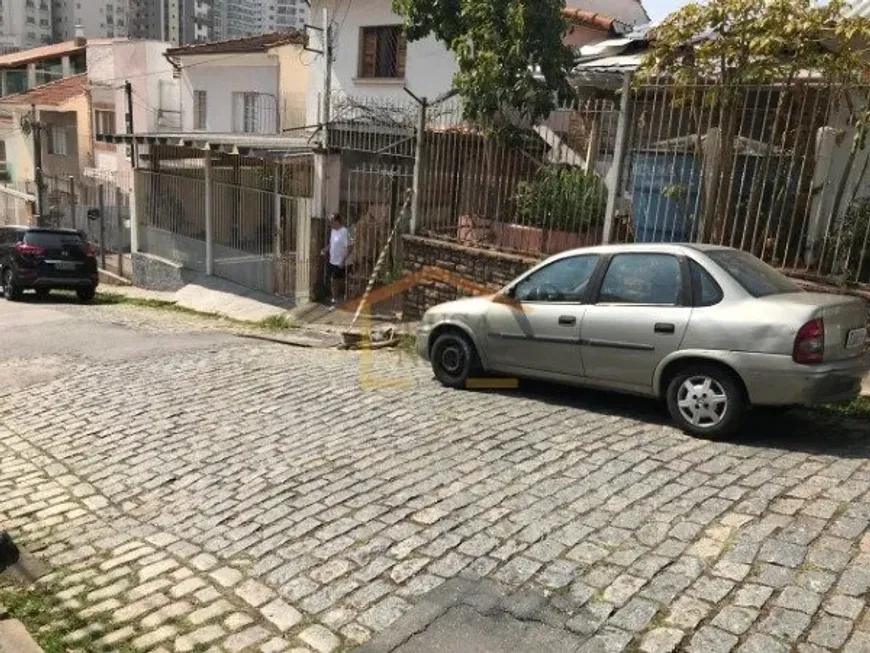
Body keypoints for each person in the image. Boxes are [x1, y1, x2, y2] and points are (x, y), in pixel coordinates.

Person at [321, 214, 353, 307]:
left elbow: (350, 247)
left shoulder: (345, 232)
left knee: (336, 280)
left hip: (341, 261)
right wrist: (325, 249)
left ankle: (337, 300)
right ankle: (336, 299)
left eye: (331, 221)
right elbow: (332, 244)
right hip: (333, 260)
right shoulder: (333, 231)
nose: (329, 224)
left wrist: (343, 261)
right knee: (334, 280)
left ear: (337, 221)